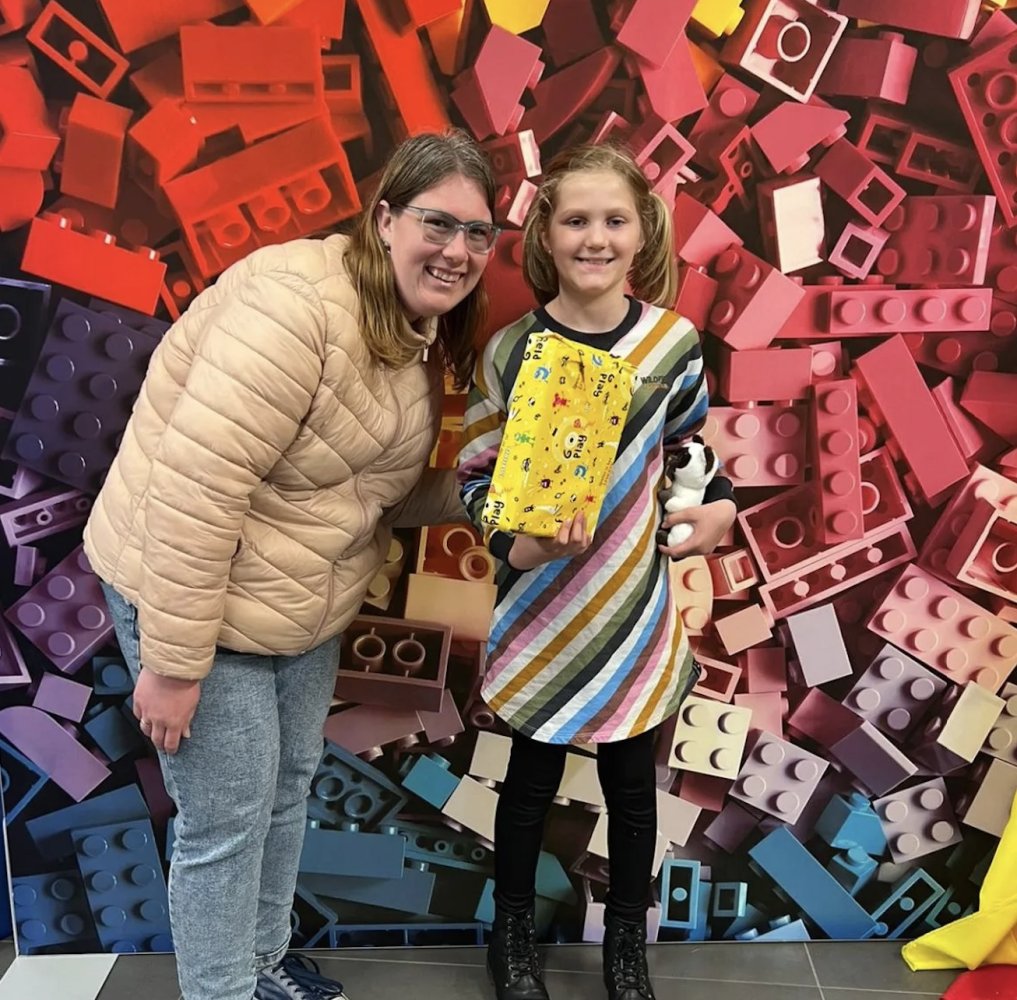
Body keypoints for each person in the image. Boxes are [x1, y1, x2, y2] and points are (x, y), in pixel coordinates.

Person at [83, 129, 501, 1000]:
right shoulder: (292, 309)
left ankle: (263, 967)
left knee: (283, 793)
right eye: (437, 223)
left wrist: (485, 493)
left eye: (477, 233)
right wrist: (174, 663)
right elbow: (196, 489)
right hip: (194, 592)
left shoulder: (411, 333)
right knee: (225, 821)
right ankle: (223, 991)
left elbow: (367, 491)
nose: (457, 250)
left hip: (299, 601)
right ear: (384, 219)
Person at [457, 143, 738, 1000]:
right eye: (576, 220)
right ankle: (511, 936)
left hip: (632, 602)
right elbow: (474, 476)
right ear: (546, 233)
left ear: (641, 231)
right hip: (541, 603)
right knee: (528, 783)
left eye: (614, 220)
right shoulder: (511, 350)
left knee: (631, 787)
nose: (595, 238)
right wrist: (515, 545)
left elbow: (689, 448)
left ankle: (625, 943)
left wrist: (720, 507)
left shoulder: (671, 341)